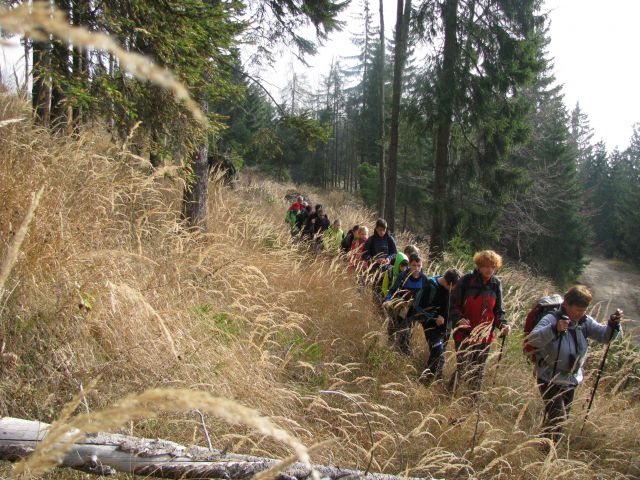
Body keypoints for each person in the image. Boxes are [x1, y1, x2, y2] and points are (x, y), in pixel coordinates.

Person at [526, 285, 623, 443]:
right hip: (549, 377)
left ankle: (542, 448)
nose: (580, 314)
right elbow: (533, 339)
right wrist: (554, 329)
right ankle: (546, 452)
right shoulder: (551, 319)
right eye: (577, 309)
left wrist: (613, 324)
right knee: (558, 417)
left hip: (570, 380)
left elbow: (605, 337)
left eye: (583, 310)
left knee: (558, 419)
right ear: (566, 304)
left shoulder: (584, 322)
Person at [449, 250, 511, 394]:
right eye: (486, 266)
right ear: (479, 265)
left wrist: (503, 325)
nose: (490, 270)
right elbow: (452, 305)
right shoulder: (466, 281)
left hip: (484, 334)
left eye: (493, 267)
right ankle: (450, 394)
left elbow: (498, 311)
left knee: (478, 369)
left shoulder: (496, 284)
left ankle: (472, 401)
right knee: (463, 365)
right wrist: (459, 319)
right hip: (464, 332)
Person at [415, 268, 462, 383]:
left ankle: (431, 379)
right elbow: (417, 306)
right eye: (452, 288)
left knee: (437, 355)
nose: (453, 291)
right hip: (431, 327)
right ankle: (427, 381)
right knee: (438, 353)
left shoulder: (452, 287)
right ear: (447, 283)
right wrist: (434, 317)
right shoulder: (431, 285)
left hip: (446, 327)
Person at [382, 254, 429, 355]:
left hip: (413, 309)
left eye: (419, 266)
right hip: (400, 306)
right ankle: (389, 348)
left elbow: (427, 296)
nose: (417, 268)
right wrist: (388, 299)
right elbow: (393, 290)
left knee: (406, 331)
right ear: (409, 265)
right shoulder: (403, 276)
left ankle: (402, 352)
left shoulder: (424, 279)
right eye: (414, 265)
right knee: (393, 327)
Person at [361, 219, 397, 290]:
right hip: (374, 270)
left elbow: (395, 253)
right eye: (380, 230)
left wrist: (388, 259)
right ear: (376, 229)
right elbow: (364, 255)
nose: (382, 232)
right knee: (375, 290)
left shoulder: (390, 239)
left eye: (384, 229)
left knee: (386, 289)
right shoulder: (371, 240)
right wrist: (374, 259)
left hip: (387, 270)